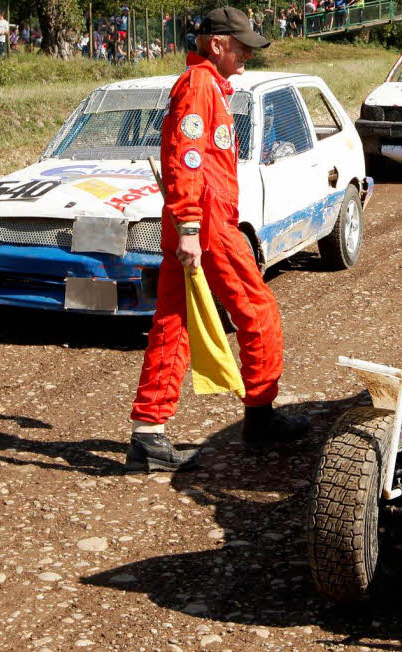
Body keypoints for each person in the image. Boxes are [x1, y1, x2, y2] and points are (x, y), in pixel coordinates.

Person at [126, 6, 309, 472]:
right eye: (243, 45)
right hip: (206, 225)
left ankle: (148, 436)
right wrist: (190, 226)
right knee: (258, 310)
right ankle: (261, 416)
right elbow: (185, 159)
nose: (249, 53)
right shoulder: (200, 87)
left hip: (198, 222)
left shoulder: (208, 86)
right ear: (217, 44)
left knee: (174, 321)